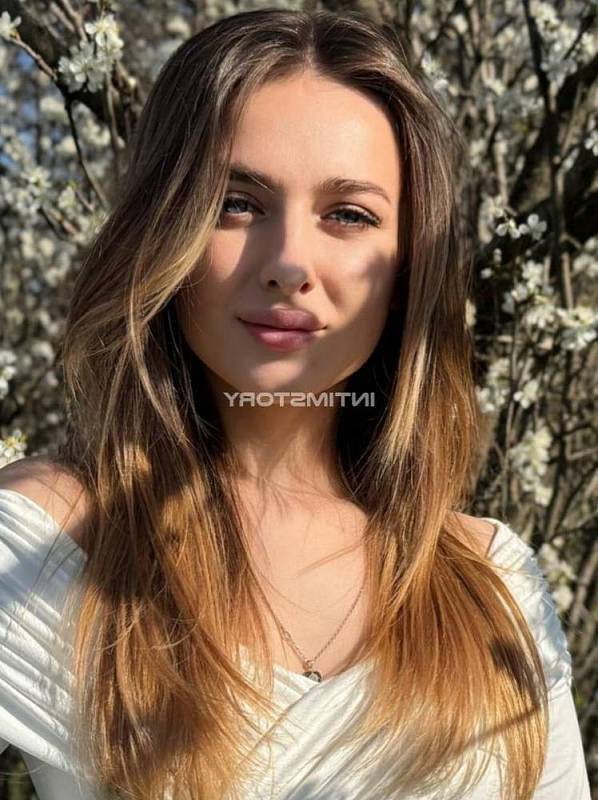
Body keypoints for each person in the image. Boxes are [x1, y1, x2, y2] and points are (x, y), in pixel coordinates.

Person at [0, 7, 591, 800]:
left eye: (348, 215)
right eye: (237, 202)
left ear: (405, 269)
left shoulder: (494, 585)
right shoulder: (47, 544)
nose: (288, 262)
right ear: (164, 230)